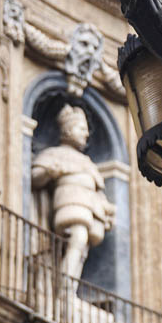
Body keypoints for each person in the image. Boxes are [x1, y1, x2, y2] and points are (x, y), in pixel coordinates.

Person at [32, 105, 114, 280]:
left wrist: (106, 208)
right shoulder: (54, 154)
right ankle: (65, 284)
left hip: (88, 209)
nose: (86, 134)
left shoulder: (88, 163)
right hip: (69, 204)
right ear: (68, 130)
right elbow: (35, 176)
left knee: (81, 250)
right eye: (81, 129)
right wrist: (50, 172)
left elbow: (98, 191)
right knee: (78, 238)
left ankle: (69, 286)